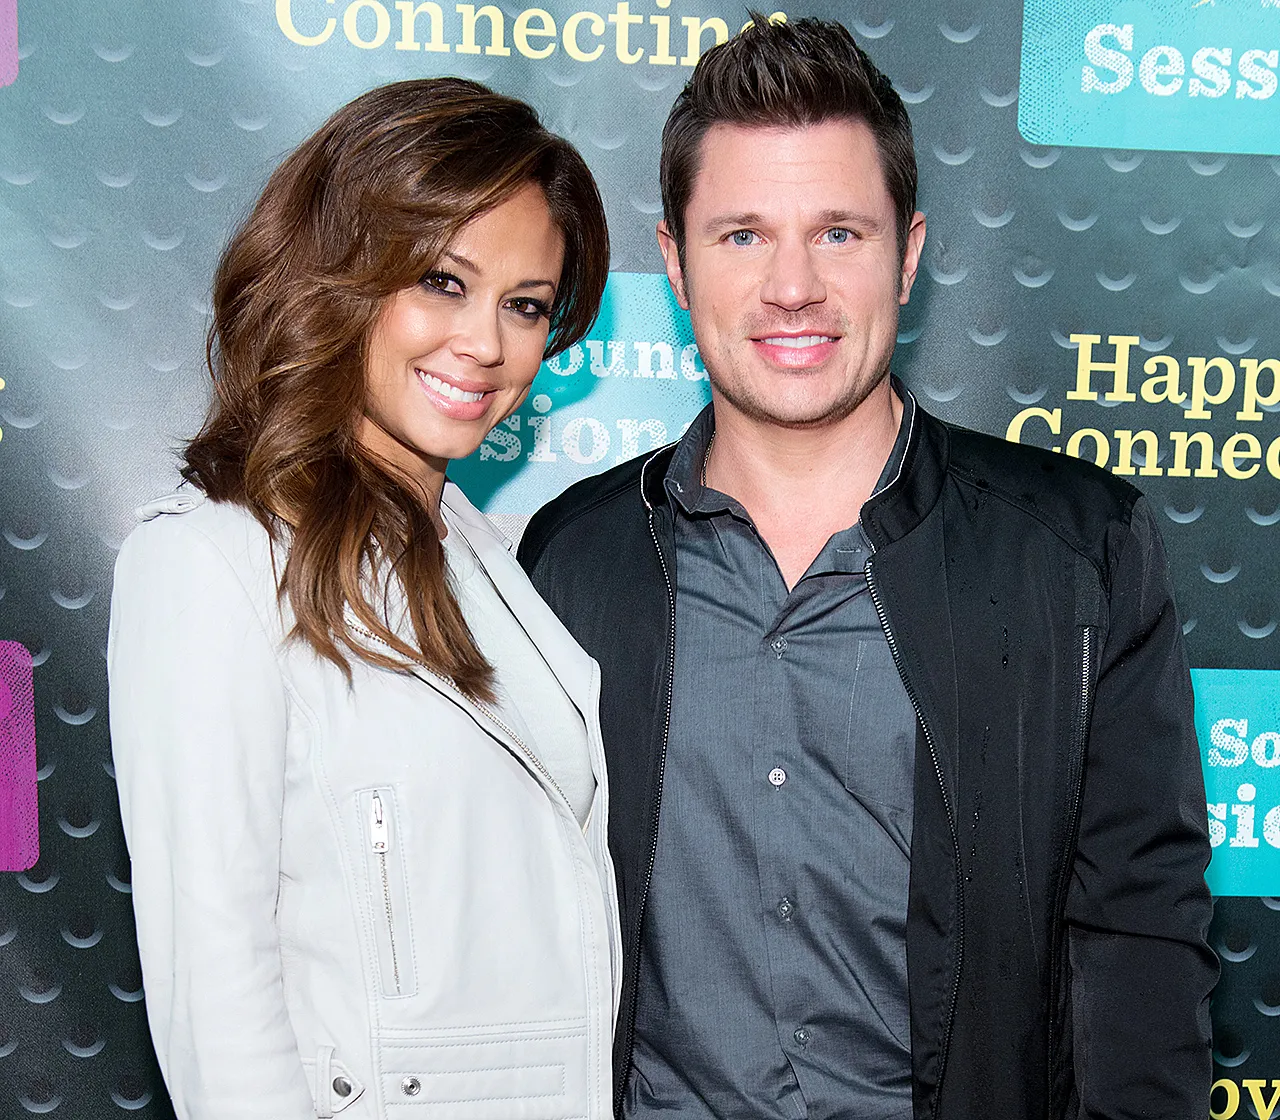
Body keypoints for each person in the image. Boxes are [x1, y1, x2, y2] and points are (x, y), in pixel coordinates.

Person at [518, 17, 1216, 1120]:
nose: (792, 286)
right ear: (675, 262)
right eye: (742, 235)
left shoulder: (1075, 553)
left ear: (909, 251)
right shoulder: (569, 560)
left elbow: (1139, 951)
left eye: (838, 232)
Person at [108, 78, 620, 1120]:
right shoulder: (210, 564)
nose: (486, 343)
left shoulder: (488, 557)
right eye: (441, 281)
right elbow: (219, 1005)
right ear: (338, 273)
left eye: (525, 304)